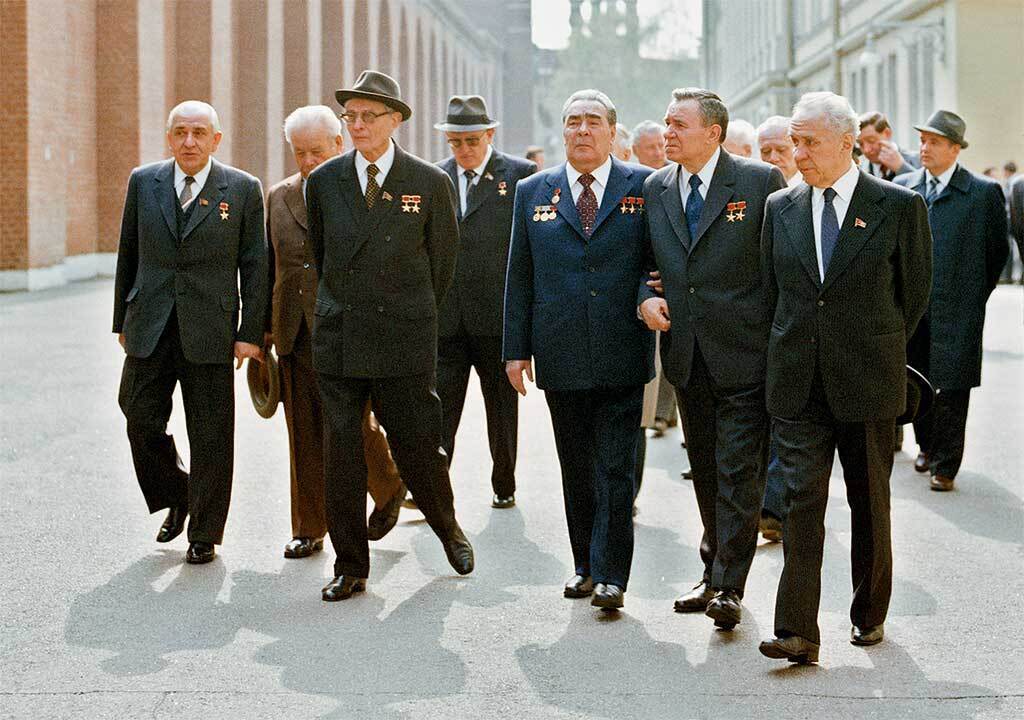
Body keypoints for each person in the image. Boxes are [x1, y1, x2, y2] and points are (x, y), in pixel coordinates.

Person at [758, 92, 931, 664]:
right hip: (798, 382)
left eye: (809, 142)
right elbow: (771, 292)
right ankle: (797, 630)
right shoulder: (780, 207)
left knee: (869, 503)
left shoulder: (897, 206)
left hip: (868, 380)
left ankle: (869, 613)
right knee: (799, 503)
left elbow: (913, 297)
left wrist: (871, 344)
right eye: (795, 142)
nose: (798, 152)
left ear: (847, 142)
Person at [306, 70, 473, 602]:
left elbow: (443, 265)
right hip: (340, 336)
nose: (357, 125)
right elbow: (323, 257)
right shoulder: (324, 182)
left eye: (368, 116)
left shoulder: (429, 182)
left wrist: (409, 312)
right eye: (350, 116)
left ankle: (447, 527)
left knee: (418, 444)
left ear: (395, 120)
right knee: (341, 454)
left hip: (404, 337)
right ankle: (350, 565)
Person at [639, 88, 786, 629]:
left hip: (746, 354)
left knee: (738, 470)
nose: (668, 133)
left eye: (679, 124)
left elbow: (782, 265)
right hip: (687, 354)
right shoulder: (656, 187)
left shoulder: (758, 182)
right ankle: (712, 569)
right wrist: (645, 297)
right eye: (666, 122)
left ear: (714, 133)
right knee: (704, 467)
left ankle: (728, 584)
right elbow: (644, 263)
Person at [504, 89, 654, 611]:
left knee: (616, 466)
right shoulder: (533, 191)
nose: (582, 130)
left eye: (593, 121)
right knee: (576, 465)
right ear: (562, 131)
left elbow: (654, 264)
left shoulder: (644, 186)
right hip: (560, 348)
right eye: (573, 121)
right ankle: (585, 565)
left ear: (613, 131)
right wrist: (515, 349)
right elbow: (520, 274)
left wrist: (648, 295)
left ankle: (613, 574)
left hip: (621, 346)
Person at [113, 100, 268, 565]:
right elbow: (128, 251)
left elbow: (255, 266)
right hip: (150, 323)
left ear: (215, 140)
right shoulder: (144, 182)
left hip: (211, 328)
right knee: (138, 414)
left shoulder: (242, 189)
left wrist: (249, 332)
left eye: (199, 133)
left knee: (211, 434)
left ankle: (204, 532)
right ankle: (179, 493)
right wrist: (121, 320)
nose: (189, 142)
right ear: (169, 137)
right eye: (180, 132)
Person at [265, 105, 407, 559]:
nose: (308, 162)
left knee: (352, 424)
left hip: (348, 329)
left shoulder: (358, 192)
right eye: (300, 153)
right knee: (302, 432)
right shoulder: (278, 196)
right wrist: (262, 331)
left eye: (317, 152)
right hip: (294, 331)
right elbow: (268, 267)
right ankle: (309, 527)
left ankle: (388, 485)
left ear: (339, 145)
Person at [894, 110, 1009, 492]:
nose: (924, 148)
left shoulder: (981, 192)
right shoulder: (906, 186)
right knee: (917, 378)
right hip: (914, 306)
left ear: (955, 149)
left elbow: (996, 253)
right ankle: (926, 447)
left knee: (954, 386)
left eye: (935, 142)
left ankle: (946, 464)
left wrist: (973, 294)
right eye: (922, 140)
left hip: (959, 307)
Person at [434, 95, 536, 509]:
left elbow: (527, 249)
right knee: (441, 408)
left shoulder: (520, 175)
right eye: (456, 142)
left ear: (490, 135)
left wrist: (523, 322)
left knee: (501, 409)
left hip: (496, 316)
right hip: (448, 318)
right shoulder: (437, 176)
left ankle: (504, 483)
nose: (464, 150)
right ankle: (433, 488)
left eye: (472, 141)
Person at [857, 111, 920, 180]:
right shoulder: (859, 171)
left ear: (887, 133)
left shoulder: (920, 161)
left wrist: (901, 168)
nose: (866, 150)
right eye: (860, 144)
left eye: (871, 141)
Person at [757, 115, 802, 187]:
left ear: (797, 148)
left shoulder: (814, 187)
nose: (773, 158)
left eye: (781, 150)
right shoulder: (752, 188)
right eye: (766, 151)